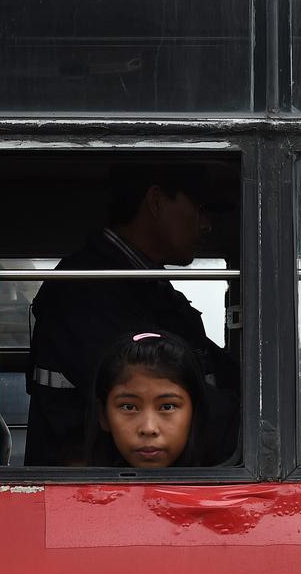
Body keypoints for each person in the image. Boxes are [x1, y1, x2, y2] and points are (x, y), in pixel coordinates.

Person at [25, 163, 239, 466]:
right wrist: (258, 423)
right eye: (200, 208)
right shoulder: (87, 286)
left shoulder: (153, 287)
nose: (207, 225)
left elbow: (207, 362)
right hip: (88, 482)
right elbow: (147, 379)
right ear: (156, 201)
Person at [86, 331, 212, 468]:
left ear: (194, 413)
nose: (148, 428)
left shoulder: (223, 477)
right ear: (103, 416)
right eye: (129, 407)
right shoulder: (77, 478)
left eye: (167, 407)